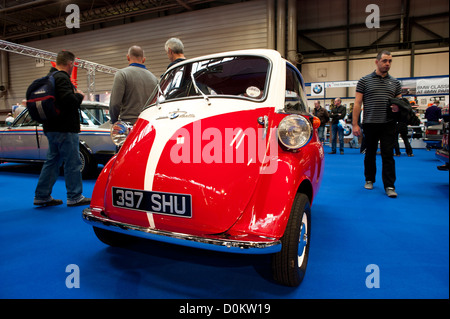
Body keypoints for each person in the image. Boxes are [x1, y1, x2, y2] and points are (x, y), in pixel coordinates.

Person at [34, 50, 90, 207]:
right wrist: (79, 95)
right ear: (70, 63)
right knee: (73, 162)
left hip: (51, 127)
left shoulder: (50, 77)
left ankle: (42, 195)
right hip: (65, 128)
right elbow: (69, 100)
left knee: (52, 161)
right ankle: (74, 196)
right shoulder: (62, 78)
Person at [352, 50, 402, 198]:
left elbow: (400, 103)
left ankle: (390, 185)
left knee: (388, 155)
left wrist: (397, 107)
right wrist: (355, 124)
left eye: (390, 61)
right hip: (370, 123)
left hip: (388, 124)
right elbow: (357, 103)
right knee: (370, 154)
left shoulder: (396, 83)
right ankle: (369, 179)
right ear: (377, 61)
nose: (387, 64)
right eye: (385, 61)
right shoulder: (364, 81)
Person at [109, 45, 158, 125]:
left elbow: (114, 104)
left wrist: (114, 122)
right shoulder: (154, 79)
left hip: (129, 126)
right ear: (144, 59)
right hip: (148, 125)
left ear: (128, 57)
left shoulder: (122, 74)